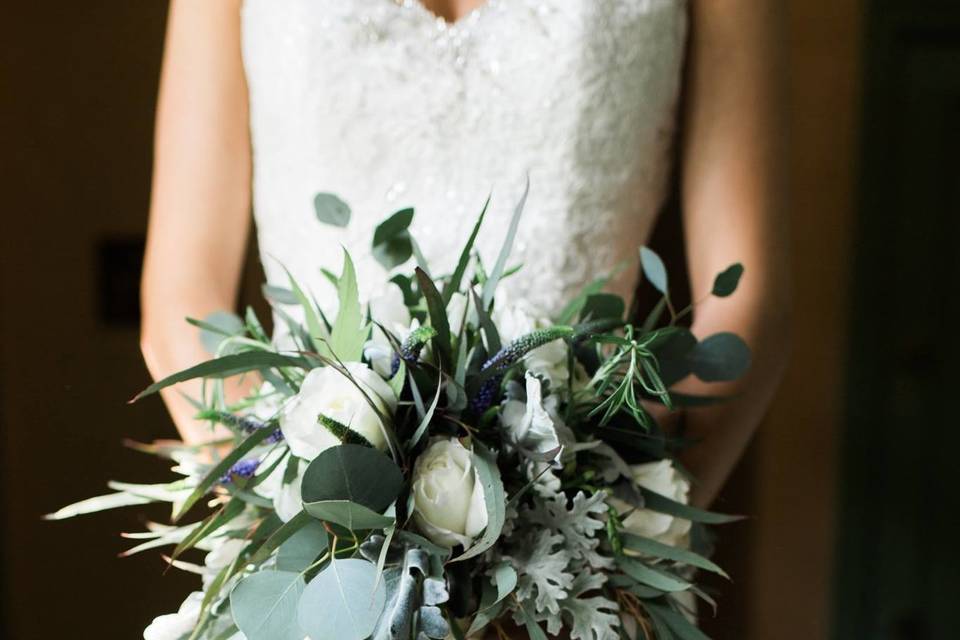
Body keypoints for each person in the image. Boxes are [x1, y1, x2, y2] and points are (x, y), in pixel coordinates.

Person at [140, 0, 790, 517]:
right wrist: (303, 521)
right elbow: (183, 296)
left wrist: (621, 530)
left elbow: (749, 293)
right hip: (317, 567)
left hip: (575, 532)